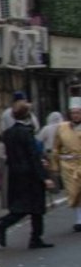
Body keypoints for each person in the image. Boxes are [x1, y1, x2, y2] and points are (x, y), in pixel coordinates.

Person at [0, 99, 54, 249]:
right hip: (31, 175)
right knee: (35, 208)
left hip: (15, 174)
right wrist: (44, 177)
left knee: (23, 206)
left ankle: (32, 237)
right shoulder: (27, 133)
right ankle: (30, 235)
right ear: (27, 115)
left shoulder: (8, 133)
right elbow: (33, 156)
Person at [53, 96, 81, 233]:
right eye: (73, 113)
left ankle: (79, 220)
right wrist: (55, 166)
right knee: (74, 192)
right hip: (69, 164)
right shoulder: (62, 128)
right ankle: (78, 219)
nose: (75, 115)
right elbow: (55, 148)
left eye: (78, 112)